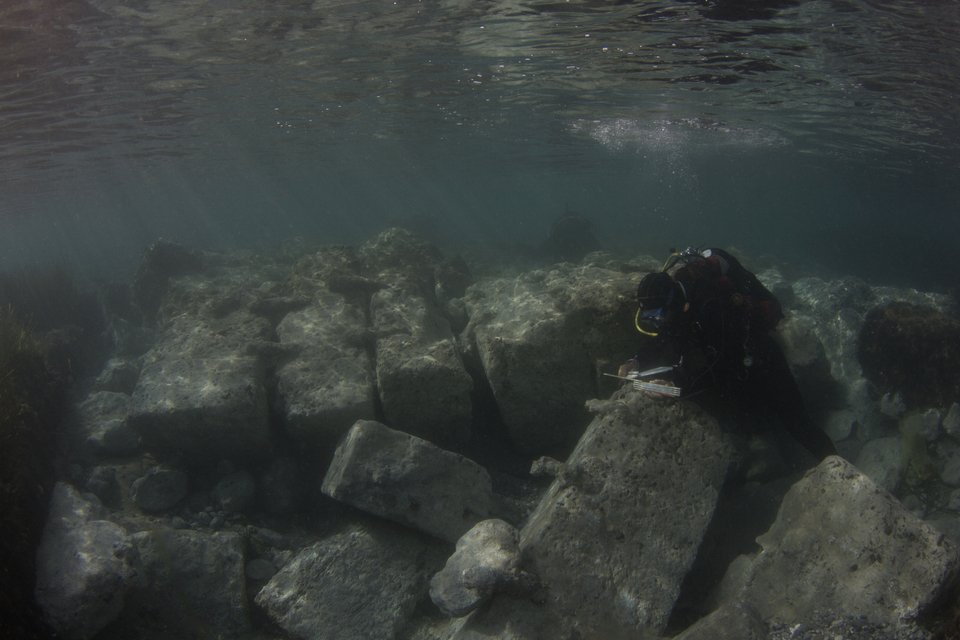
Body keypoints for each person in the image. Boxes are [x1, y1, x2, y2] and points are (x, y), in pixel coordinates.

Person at [624, 247, 836, 460]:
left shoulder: (710, 307)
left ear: (673, 301)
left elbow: (711, 368)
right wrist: (636, 361)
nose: (658, 322)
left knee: (796, 421)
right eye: (650, 318)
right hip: (729, 367)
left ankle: (837, 465)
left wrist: (673, 385)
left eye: (658, 316)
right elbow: (662, 339)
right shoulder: (677, 308)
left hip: (762, 361)